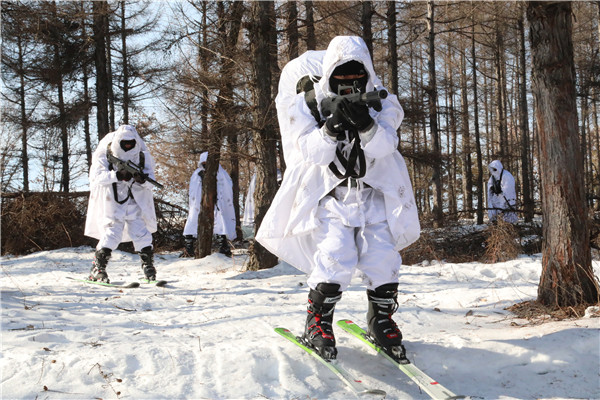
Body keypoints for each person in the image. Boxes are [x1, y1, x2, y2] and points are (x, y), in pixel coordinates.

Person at [256, 36, 420, 361]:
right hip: (333, 197)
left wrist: (366, 124)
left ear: (367, 74)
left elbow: (385, 145)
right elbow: (309, 152)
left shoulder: (384, 103)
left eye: (355, 78)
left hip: (374, 197)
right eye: (341, 78)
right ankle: (318, 322)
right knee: (334, 256)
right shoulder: (310, 104)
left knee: (383, 258)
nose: (349, 85)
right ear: (329, 75)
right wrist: (330, 127)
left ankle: (381, 319)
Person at [84, 124, 158, 283]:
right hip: (112, 200)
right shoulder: (105, 153)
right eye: (124, 143)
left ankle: (148, 266)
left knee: (141, 232)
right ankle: (98, 268)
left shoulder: (142, 156)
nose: (128, 146)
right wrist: (117, 175)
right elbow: (96, 178)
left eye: (131, 143)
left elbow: (151, 181)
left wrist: (142, 181)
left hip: (135, 199)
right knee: (112, 232)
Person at [182, 152, 236, 258]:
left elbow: (225, 189)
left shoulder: (221, 173)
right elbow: (194, 191)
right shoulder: (197, 174)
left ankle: (224, 247)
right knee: (192, 222)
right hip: (198, 205)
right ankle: (189, 248)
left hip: (217, 203)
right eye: (204, 162)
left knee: (221, 224)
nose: (206, 164)